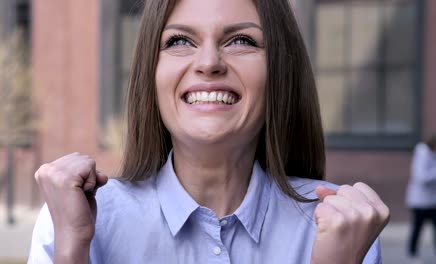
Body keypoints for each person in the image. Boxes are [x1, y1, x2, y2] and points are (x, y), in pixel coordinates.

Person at [28, 0, 390, 263]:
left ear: (280, 71)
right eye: (179, 41)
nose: (208, 63)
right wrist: (72, 250)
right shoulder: (76, 220)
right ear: (150, 76)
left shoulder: (341, 225)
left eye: (242, 41)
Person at [406, 134, 436, 260]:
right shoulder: (422, 153)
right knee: (417, 228)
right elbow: (421, 177)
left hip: (433, 201)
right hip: (420, 201)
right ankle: (412, 254)